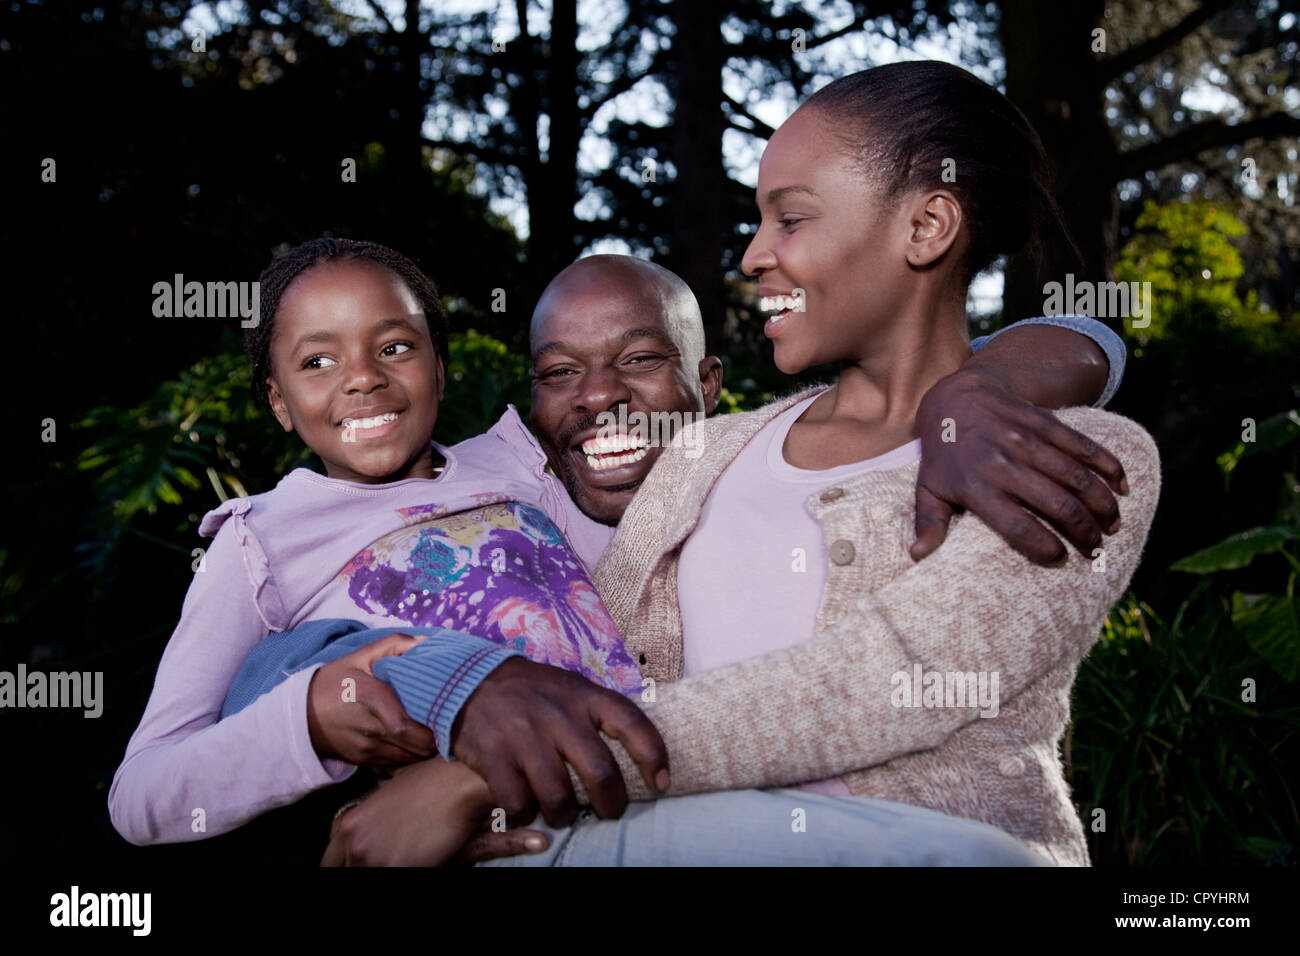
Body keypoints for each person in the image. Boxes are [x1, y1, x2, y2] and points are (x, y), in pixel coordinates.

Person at [327, 62, 1159, 867]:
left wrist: (484, 780)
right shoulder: (707, 452)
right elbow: (587, 656)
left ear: (926, 227)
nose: (755, 255)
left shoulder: (1089, 455)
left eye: (790, 219)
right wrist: (484, 757)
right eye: (758, 221)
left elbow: (893, 677)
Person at [108, 238, 661, 847]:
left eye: (395, 348)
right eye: (318, 362)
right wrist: (310, 717)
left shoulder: (515, 467)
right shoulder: (257, 542)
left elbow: (637, 577)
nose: (364, 378)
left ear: (439, 369)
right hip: (501, 840)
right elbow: (141, 795)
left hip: (647, 772)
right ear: (278, 401)